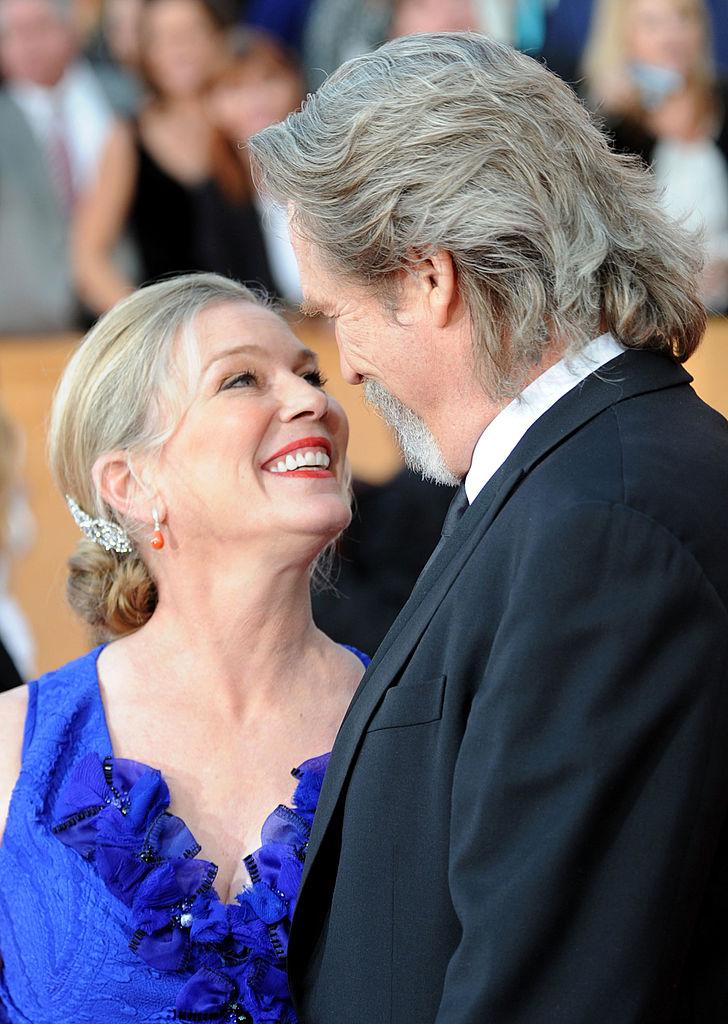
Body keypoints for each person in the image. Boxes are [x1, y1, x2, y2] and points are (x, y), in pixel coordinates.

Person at [249, 31, 728, 1023]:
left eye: (338, 315)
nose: (344, 368)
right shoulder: (562, 484)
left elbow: (556, 984)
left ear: (428, 277)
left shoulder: (602, 525)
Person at [0, 273, 369, 1023]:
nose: (313, 404)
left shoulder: (418, 725)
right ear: (131, 484)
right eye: (241, 380)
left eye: (309, 375)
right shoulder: (11, 749)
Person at [71, 0, 248, 315]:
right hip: (173, 339)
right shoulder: (127, 138)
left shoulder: (245, 124)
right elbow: (89, 259)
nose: (178, 49)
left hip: (263, 324)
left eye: (191, 32)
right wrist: (147, 322)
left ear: (218, 38)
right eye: (161, 38)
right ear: (145, 52)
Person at [582, 0, 728, 311]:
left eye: (683, 17)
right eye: (653, 23)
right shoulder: (608, 130)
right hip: (649, 313)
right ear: (622, 37)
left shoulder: (722, 103)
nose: (672, 35)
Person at [0, 0, 114, 333]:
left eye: (39, 28)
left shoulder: (120, 100)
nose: (28, 44)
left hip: (115, 315)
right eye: (12, 33)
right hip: (25, 330)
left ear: (71, 30)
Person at [203, 31, 306, 302]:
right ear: (211, 103)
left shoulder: (332, 171)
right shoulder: (214, 196)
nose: (256, 99)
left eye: (268, 79)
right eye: (236, 87)